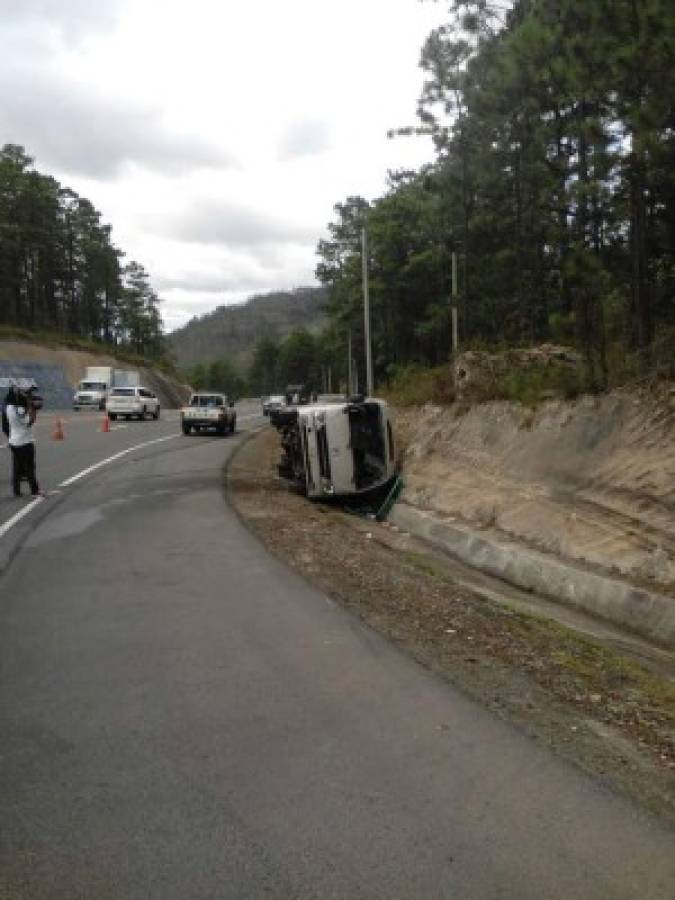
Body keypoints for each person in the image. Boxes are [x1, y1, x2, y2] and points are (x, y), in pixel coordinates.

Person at [5, 384, 43, 498]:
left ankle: (16, 491)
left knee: (17, 468)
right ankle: (35, 491)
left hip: (14, 442)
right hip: (24, 442)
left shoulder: (9, 408)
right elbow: (29, 422)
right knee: (30, 468)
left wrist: (28, 404)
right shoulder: (19, 410)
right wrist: (34, 409)